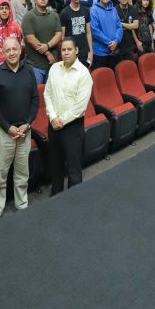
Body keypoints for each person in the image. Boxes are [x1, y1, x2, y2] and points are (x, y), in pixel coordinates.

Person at [0, 38, 38, 218]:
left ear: (20, 50)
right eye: (7, 50)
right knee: (1, 175)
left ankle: (21, 205)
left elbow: (35, 101)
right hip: (4, 133)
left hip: (24, 131)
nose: (12, 53)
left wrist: (28, 124)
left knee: (22, 173)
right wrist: (8, 128)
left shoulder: (29, 71)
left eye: (14, 49)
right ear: (3, 52)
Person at [44, 39, 93, 195]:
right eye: (63, 50)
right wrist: (52, 117)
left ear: (76, 50)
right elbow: (47, 94)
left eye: (69, 49)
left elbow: (80, 106)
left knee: (74, 169)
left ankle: (74, 200)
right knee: (55, 166)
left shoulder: (84, 74)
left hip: (72, 127)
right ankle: (56, 195)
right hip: (53, 125)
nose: (65, 53)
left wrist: (61, 120)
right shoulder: (54, 69)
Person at [21, 0, 62, 84]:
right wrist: (47, 53)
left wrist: (47, 45)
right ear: (34, 0)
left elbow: (59, 34)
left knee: (50, 96)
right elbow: (31, 39)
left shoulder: (54, 15)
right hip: (35, 65)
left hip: (53, 64)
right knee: (37, 95)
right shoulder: (28, 16)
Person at [60, 0, 93, 67]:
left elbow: (88, 33)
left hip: (84, 51)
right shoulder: (64, 13)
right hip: (71, 53)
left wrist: (91, 51)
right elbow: (62, 37)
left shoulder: (86, 10)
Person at [90, 0, 123, 69]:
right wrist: (110, 43)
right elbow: (95, 31)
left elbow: (119, 27)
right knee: (100, 78)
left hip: (114, 51)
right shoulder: (93, 10)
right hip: (100, 53)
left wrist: (116, 41)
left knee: (112, 78)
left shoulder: (114, 10)